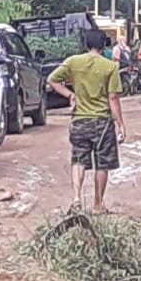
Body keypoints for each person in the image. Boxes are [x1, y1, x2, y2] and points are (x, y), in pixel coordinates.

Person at [48, 29, 127, 215]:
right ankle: (98, 205)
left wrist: (70, 95)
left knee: (78, 159)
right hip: (102, 122)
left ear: (85, 44)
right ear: (104, 45)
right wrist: (120, 124)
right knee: (102, 164)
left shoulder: (73, 62)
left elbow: (52, 80)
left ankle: (76, 199)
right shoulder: (110, 67)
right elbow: (113, 97)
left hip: (80, 120)